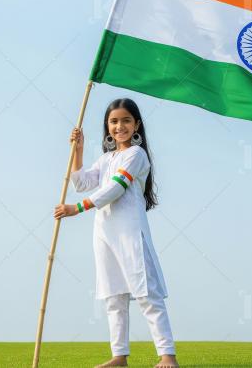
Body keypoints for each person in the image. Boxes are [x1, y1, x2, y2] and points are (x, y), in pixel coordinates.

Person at [54, 98, 179, 368]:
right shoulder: (106, 158)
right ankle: (119, 357)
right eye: (113, 121)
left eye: (125, 120)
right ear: (107, 126)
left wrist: (78, 208)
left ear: (136, 125)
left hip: (130, 233)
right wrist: (78, 151)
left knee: (147, 294)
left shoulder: (136, 155)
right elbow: (82, 183)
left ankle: (167, 355)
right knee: (113, 297)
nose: (119, 126)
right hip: (104, 234)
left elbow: (117, 186)